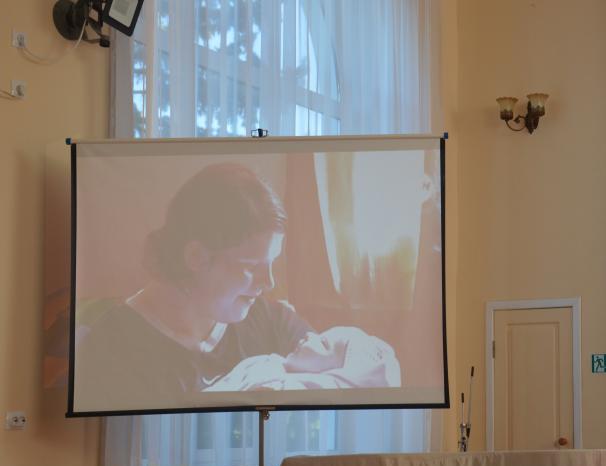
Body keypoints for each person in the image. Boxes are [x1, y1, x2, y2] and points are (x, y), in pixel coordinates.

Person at [75, 163, 398, 411]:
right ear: (196, 256)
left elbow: (358, 377)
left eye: (271, 264)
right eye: (250, 267)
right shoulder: (114, 346)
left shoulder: (270, 321)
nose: (268, 282)